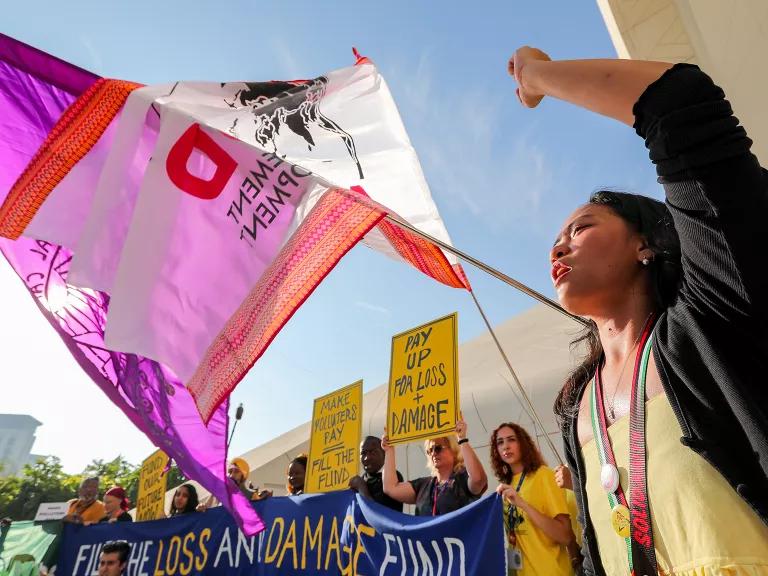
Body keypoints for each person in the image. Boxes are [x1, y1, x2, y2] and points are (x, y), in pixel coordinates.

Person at [507, 46, 768, 574]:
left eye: (581, 229)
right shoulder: (575, 405)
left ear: (645, 245)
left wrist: (535, 76)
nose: (557, 249)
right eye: (555, 240)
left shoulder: (710, 322)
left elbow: (679, 102)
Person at [493, 423, 574, 575]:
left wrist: (522, 504)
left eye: (511, 440)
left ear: (522, 443)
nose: (505, 446)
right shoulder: (504, 488)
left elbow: (565, 536)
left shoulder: (544, 476)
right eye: (500, 442)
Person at [382, 415, 487, 516]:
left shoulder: (462, 479)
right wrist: (389, 450)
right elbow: (390, 488)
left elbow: (478, 479)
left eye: (438, 448)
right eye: (429, 450)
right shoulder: (424, 485)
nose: (433, 453)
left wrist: (462, 439)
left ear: (453, 449)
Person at [349, 435, 405, 512]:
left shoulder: (393, 477)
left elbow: (378, 515)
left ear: (384, 453)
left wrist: (361, 488)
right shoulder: (361, 480)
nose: (367, 458)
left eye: (372, 452)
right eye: (363, 453)